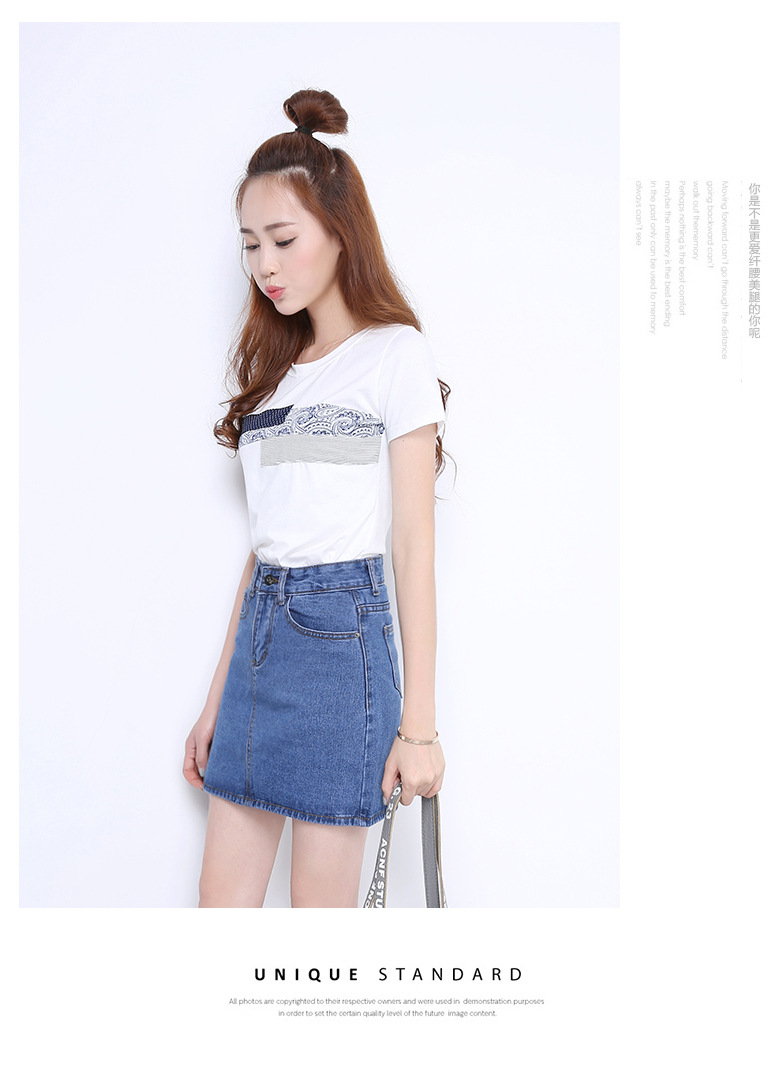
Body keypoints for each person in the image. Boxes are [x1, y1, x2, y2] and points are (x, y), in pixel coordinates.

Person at [183, 89, 450, 908]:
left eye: (283, 239)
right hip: (259, 644)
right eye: (250, 245)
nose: (264, 265)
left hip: (342, 648)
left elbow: (413, 545)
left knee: (316, 936)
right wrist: (217, 700)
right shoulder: (272, 379)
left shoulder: (394, 355)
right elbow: (265, 547)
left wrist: (420, 729)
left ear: (339, 231)